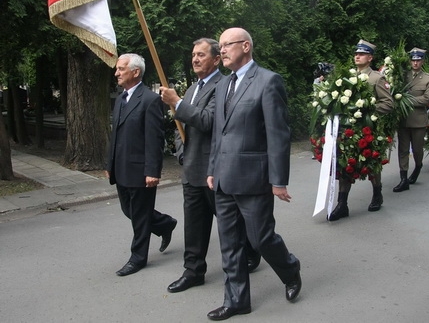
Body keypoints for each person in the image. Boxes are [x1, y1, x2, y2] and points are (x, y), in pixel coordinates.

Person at [206, 28, 301, 321]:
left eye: (226, 45)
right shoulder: (222, 85)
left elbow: (278, 134)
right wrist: (211, 169)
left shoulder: (268, 81)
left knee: (260, 238)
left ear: (245, 46)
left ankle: (289, 269)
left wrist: (278, 180)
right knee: (230, 242)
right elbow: (218, 134)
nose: (220, 50)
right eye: (219, 46)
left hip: (254, 178)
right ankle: (236, 301)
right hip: (223, 179)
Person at [159, 38, 260, 294]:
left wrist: (177, 103)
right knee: (194, 226)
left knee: (230, 224)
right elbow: (180, 127)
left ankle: (251, 251)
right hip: (191, 169)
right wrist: (181, 153)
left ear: (216, 59)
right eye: (193, 54)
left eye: (201, 55)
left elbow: (207, 121)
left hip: (216, 170)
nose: (195, 59)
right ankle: (193, 271)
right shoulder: (192, 89)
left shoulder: (224, 86)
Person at [105, 53, 177, 277]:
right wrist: (110, 163)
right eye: (117, 69)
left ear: (135, 72)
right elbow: (115, 135)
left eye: (121, 69)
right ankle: (165, 224)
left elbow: (154, 139)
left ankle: (138, 258)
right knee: (130, 211)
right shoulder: (120, 99)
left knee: (140, 215)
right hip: (121, 168)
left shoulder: (149, 100)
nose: (116, 73)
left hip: (140, 169)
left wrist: (152, 171)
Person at [328, 40, 394, 220]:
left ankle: (377, 194)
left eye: (362, 54)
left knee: (372, 163)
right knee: (345, 164)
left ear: (370, 58)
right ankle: (342, 204)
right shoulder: (347, 76)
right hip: (348, 129)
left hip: (368, 128)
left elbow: (388, 103)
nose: (357, 56)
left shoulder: (376, 78)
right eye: (356, 53)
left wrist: (368, 110)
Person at [393, 48, 429, 192]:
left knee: (417, 150)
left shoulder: (428, 78)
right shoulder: (403, 76)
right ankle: (403, 178)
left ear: (422, 61)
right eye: (413, 60)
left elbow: (427, 99)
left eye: (418, 60)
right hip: (404, 120)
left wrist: (406, 100)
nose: (415, 63)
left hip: (418, 120)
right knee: (403, 150)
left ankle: (418, 166)